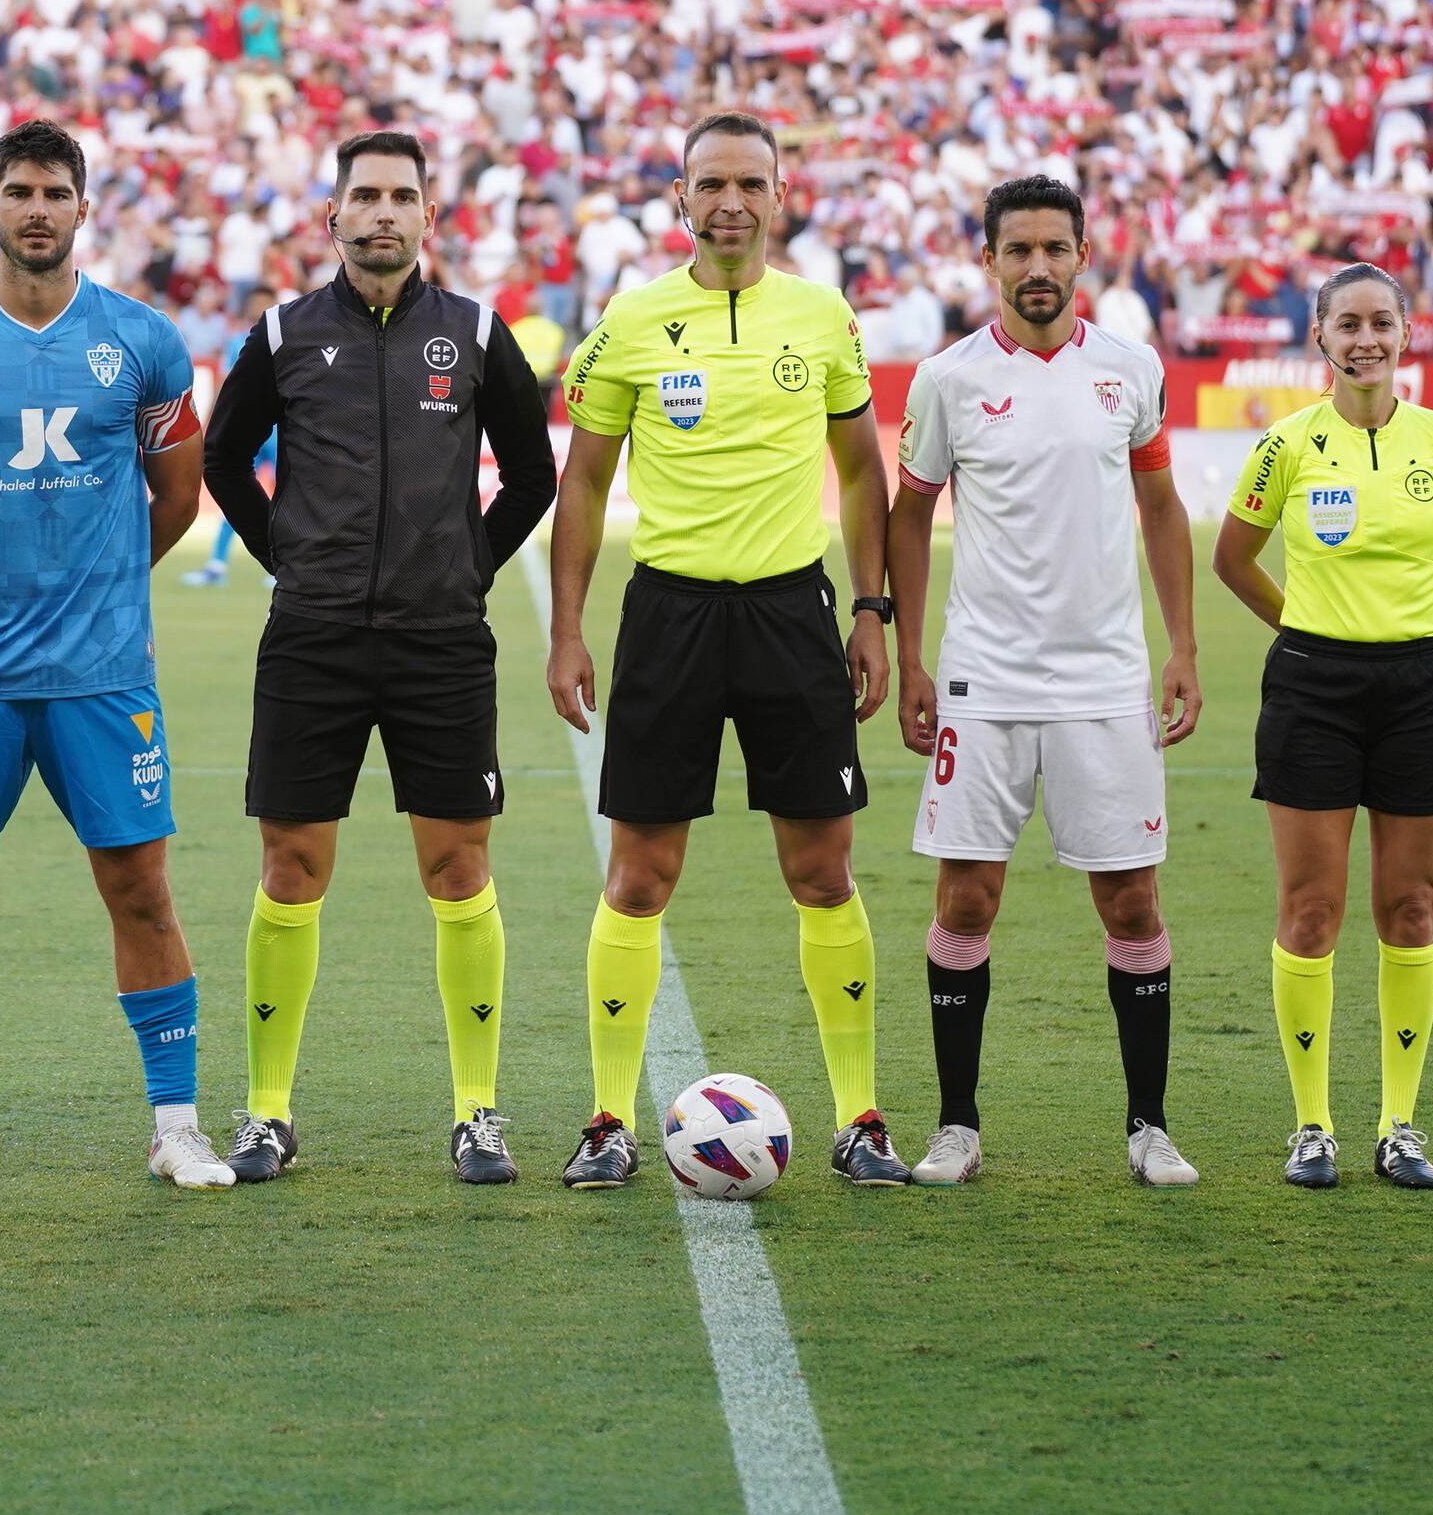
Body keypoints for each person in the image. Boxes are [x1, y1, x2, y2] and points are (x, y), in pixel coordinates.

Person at [0, 119, 234, 1197]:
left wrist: (99, 589)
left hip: (104, 673)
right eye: (17, 190)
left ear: (82, 207)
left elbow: (179, 496)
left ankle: (176, 1124)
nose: (36, 208)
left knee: (141, 891)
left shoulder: (143, 339)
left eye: (54, 191)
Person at [545, 111, 910, 1190]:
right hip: (668, 615)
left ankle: (860, 1118)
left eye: (750, 183)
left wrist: (869, 608)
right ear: (679, 199)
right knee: (640, 873)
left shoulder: (822, 316)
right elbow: (582, 482)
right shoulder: (632, 318)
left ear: (779, 196)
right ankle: (608, 1117)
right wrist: (567, 627)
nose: (730, 203)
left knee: (821, 867)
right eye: (710, 183)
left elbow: (859, 472)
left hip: (792, 615)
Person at [198, 129, 558, 1186]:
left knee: (457, 867)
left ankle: (477, 1110)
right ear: (333, 217)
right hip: (311, 638)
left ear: (429, 218)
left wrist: (466, 565)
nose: (384, 212)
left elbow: (530, 476)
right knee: (289, 866)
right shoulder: (280, 333)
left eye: (403, 195)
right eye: (366, 195)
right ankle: (266, 1110)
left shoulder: (480, 333)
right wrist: (291, 559)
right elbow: (224, 461)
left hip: (440, 638)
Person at [886, 176, 1205, 1190]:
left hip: (1105, 682)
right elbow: (907, 512)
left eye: (1052, 249)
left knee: (1129, 903)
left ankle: (1147, 1127)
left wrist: (1182, 645)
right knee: (966, 896)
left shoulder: (1129, 369)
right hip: (983, 679)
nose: (1034, 267)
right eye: (1014, 249)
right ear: (986, 260)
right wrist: (908, 655)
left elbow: (1160, 506)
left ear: (1081, 255)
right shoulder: (945, 378)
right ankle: (955, 1128)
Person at [1212, 263, 1433, 1192]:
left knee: (1411, 908)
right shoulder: (1285, 446)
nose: (1365, 339)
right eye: (1347, 324)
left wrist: (1425, 616)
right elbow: (1232, 558)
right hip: (1311, 686)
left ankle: (1399, 1125)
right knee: (1312, 911)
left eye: (1381, 321)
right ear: (1320, 338)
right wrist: (1305, 629)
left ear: (1406, 333)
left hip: (1422, 686)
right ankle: (1312, 1126)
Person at [181, 289, 276, 590]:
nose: (260, 309)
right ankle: (217, 564)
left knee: (289, 497)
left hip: (276, 433)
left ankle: (284, 567)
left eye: (265, 304)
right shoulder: (238, 343)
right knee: (235, 496)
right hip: (245, 432)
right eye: (256, 304)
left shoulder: (286, 338)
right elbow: (224, 385)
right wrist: (209, 422)